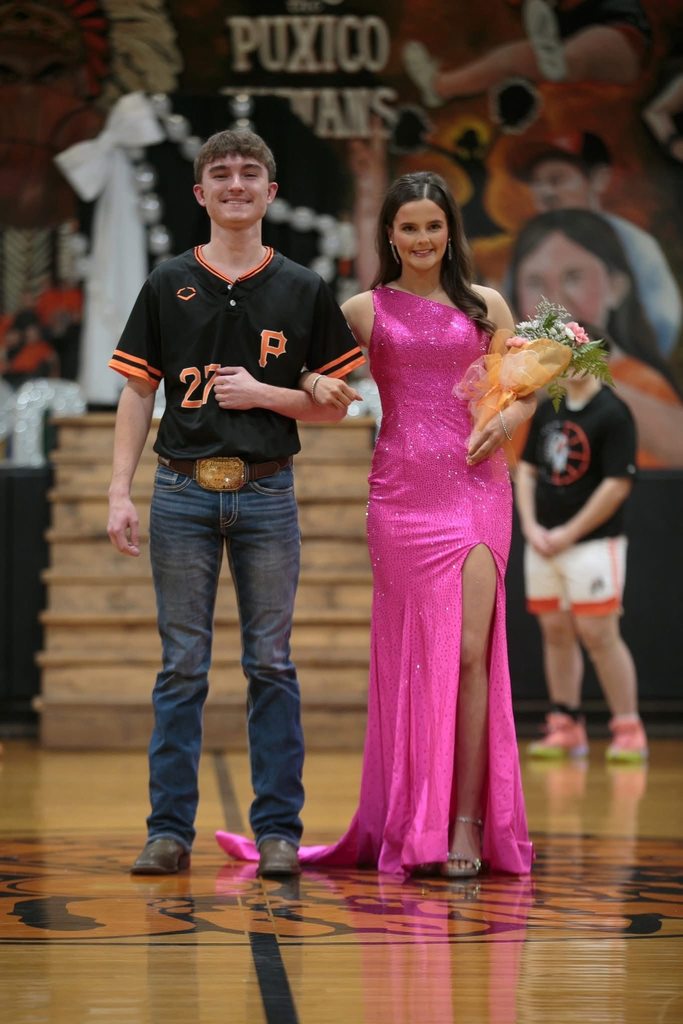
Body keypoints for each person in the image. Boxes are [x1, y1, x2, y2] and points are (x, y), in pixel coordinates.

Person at [217, 171, 535, 878]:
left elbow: (521, 393)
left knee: (470, 654)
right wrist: (307, 383)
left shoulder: (487, 306)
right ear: (388, 235)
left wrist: (511, 415)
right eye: (408, 227)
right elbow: (317, 380)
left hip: (477, 491)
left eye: (432, 225)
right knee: (415, 657)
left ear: (450, 230)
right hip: (399, 499)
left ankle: (464, 821)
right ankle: (412, 816)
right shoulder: (361, 309)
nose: (421, 239)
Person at [107, 129, 365, 878]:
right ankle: (167, 832)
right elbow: (135, 390)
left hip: (267, 493)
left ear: (270, 191)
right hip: (182, 493)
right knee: (182, 667)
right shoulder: (165, 282)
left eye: (250, 173)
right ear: (200, 193)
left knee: (271, 665)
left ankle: (278, 830)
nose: (235, 184)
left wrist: (267, 393)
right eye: (219, 175)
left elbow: (333, 407)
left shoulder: (302, 287)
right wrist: (119, 491)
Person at [515, 367, 648, 762]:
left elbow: (617, 485)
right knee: (554, 630)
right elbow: (526, 469)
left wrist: (569, 533)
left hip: (591, 543)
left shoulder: (613, 412)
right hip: (543, 542)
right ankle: (565, 723)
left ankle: (628, 728)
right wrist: (530, 526)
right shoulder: (548, 408)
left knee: (599, 633)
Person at [507, 208, 683, 468]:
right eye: (535, 282)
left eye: (574, 277)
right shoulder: (502, 383)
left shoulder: (645, 383)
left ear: (616, 287)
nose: (555, 300)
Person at [507, 131, 681, 358]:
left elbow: (662, 321)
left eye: (556, 179)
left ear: (599, 179)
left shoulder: (633, 243)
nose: (545, 192)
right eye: (537, 183)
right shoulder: (528, 244)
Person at [403, 0, 651, 108]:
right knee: (509, 58)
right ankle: (438, 86)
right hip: (565, 38)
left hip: (619, 32)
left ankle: (561, 61)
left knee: (594, 47)